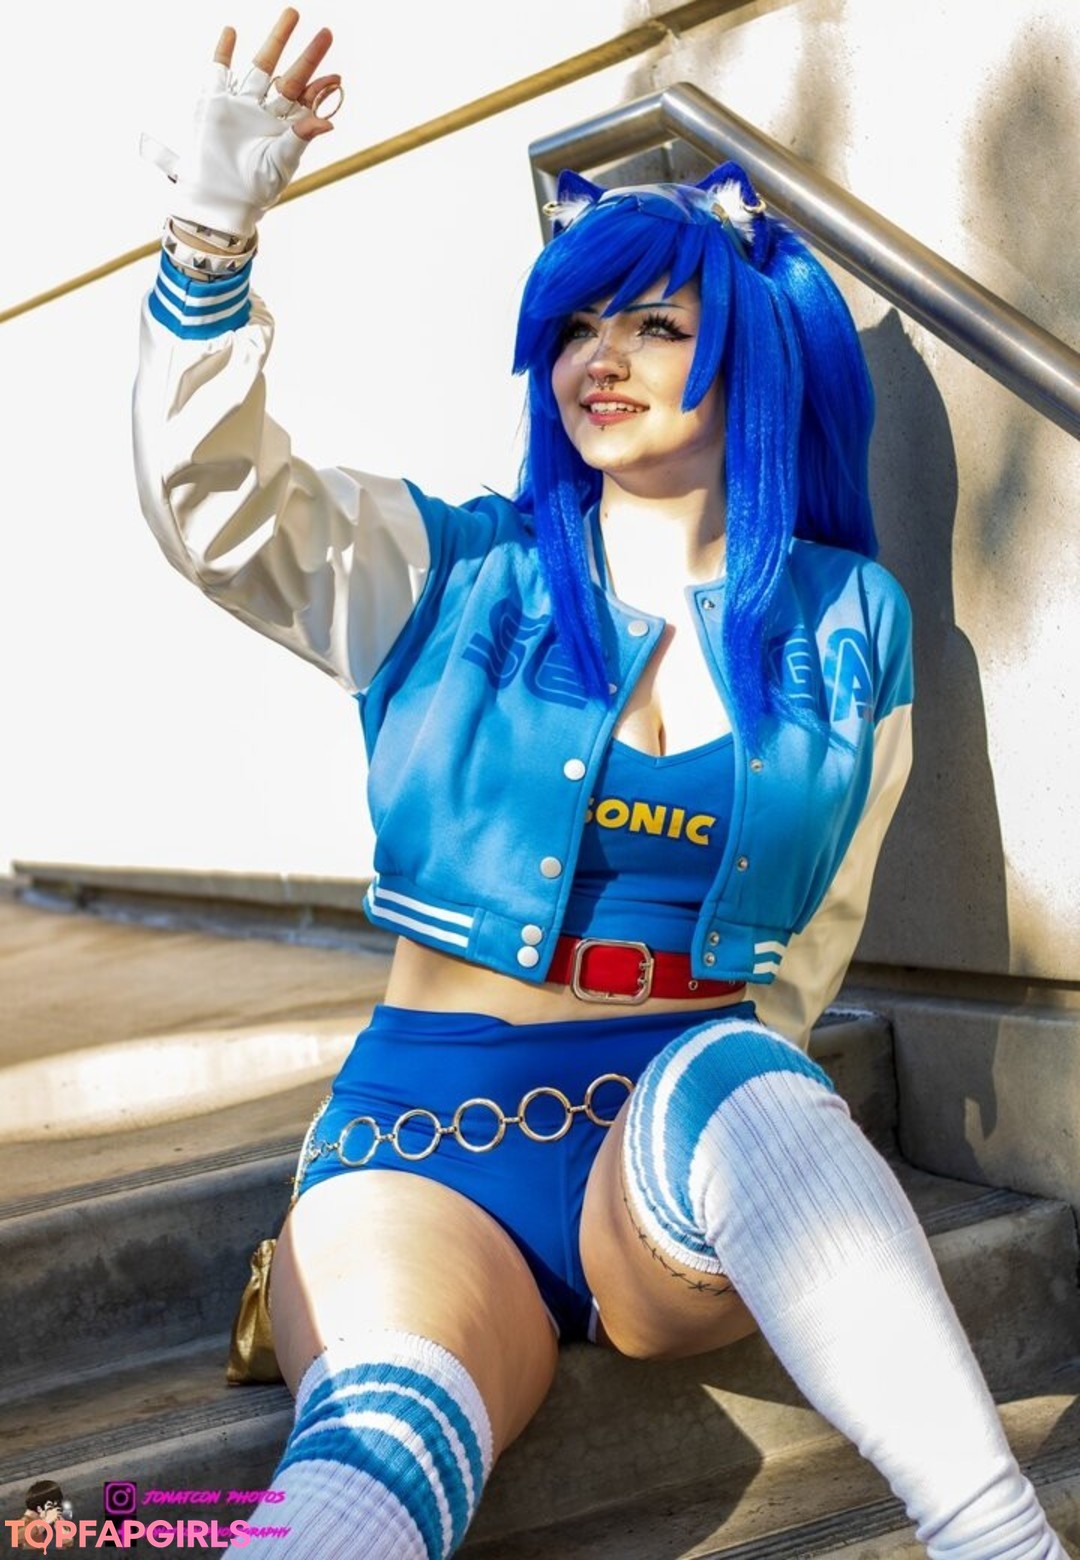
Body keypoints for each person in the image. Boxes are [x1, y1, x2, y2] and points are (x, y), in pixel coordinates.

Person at [133, 11, 1065, 1557]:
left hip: (676, 1157)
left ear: (753, 360)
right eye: (574, 326)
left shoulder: (849, 623)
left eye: (653, 325)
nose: (599, 358)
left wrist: (745, 1138)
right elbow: (217, 506)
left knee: (747, 1073)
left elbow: (816, 931)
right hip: (424, 1148)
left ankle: (999, 1539)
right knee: (384, 1429)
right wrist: (212, 233)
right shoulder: (452, 570)